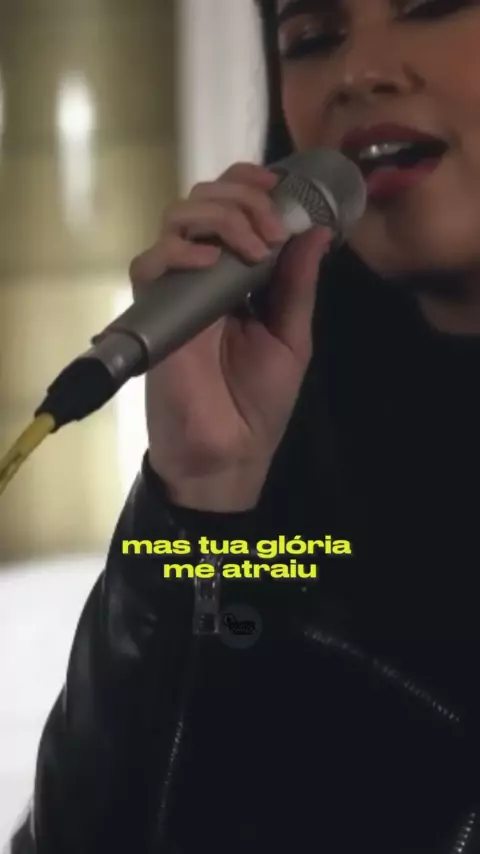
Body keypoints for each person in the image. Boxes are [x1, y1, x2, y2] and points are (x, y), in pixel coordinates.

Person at [7, 0, 480, 851]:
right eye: (312, 39)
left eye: (432, 4)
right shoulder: (287, 441)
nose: (358, 72)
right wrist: (202, 494)